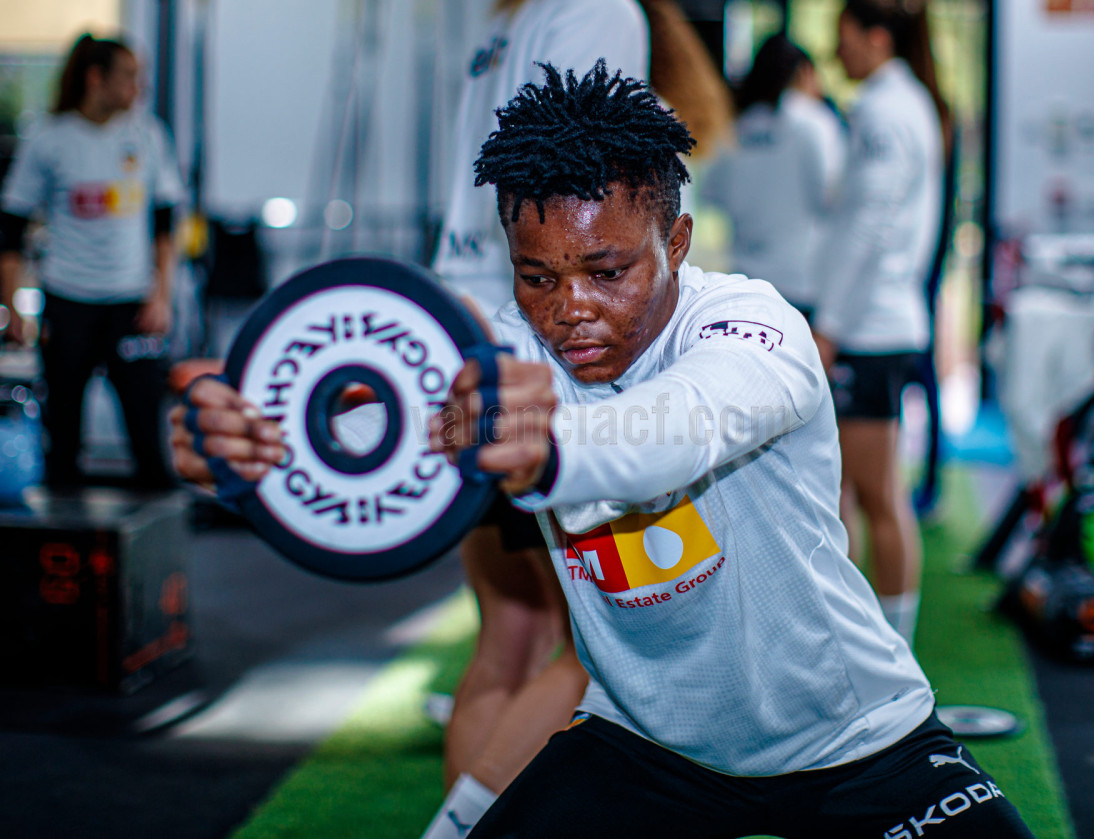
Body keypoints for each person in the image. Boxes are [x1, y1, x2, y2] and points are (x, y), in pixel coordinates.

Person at [171, 60, 1033, 839]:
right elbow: (382, 444)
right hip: (648, 742)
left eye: (608, 271)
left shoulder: (751, 324)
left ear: (677, 243)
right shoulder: (509, 356)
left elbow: (684, 423)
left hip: (853, 737)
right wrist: (254, 455)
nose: (570, 308)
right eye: (537, 276)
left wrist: (545, 448)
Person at [423, 1, 648, 834]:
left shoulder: (503, 22)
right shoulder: (593, 10)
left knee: (507, 633)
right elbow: (575, 210)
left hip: (462, 332)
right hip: (531, 354)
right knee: (594, 651)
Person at [808, 0, 953, 645]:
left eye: (842, 38)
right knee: (845, 490)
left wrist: (831, 325)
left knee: (874, 492)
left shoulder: (886, 110)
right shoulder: (903, 103)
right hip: (874, 320)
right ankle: (858, 643)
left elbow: (870, 224)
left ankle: (893, 652)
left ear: (876, 38)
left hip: (869, 328)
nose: (836, 53)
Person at [1, 33, 184, 490]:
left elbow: (166, 225)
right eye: (129, 77)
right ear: (96, 78)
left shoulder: (147, 135)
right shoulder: (50, 139)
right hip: (69, 300)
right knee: (62, 445)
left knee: (149, 443)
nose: (138, 88)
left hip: (131, 304)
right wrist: (14, 308)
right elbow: (11, 231)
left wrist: (162, 296)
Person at [702, 32, 846, 316]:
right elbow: (835, 195)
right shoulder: (814, 122)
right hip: (802, 281)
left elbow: (711, 194)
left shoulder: (735, 127)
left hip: (745, 280)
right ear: (804, 72)